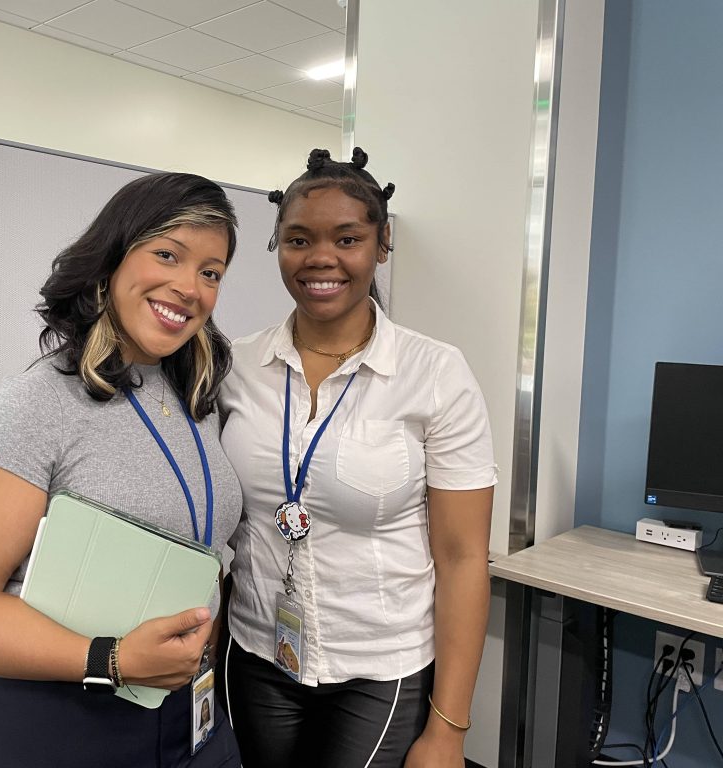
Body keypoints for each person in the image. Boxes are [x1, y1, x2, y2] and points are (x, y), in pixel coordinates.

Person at [0, 172, 244, 768]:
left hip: (183, 715)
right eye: (168, 254)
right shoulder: (38, 403)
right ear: (111, 260)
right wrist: (110, 659)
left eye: (211, 272)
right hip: (52, 725)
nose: (189, 287)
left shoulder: (193, 399)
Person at [220, 148, 496, 768]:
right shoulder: (236, 368)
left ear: (382, 243)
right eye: (298, 239)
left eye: (347, 238)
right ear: (277, 246)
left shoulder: (435, 373)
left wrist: (449, 730)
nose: (321, 258)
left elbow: (461, 559)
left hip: (382, 667)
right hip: (257, 651)